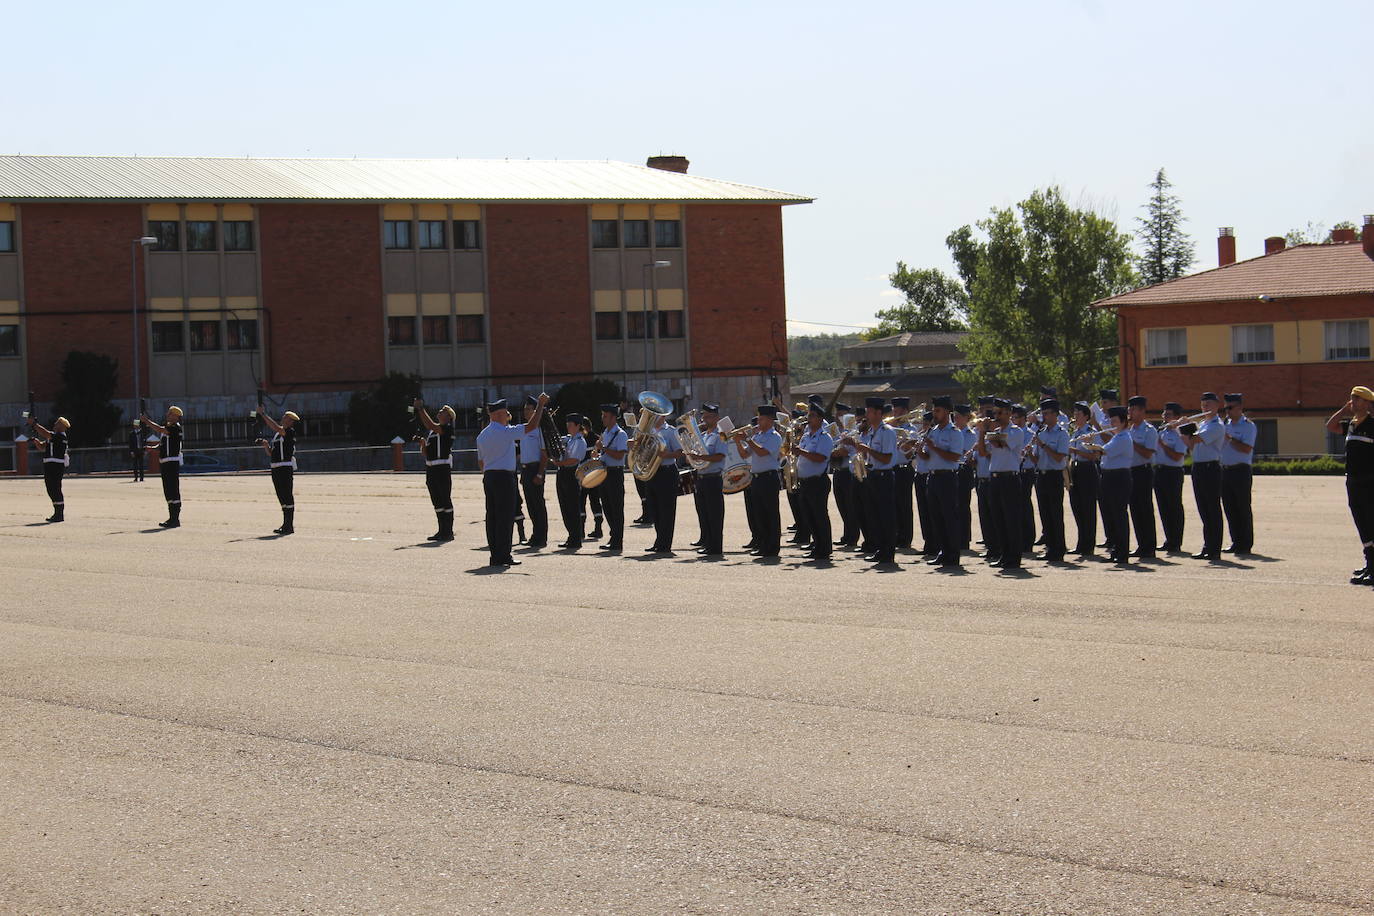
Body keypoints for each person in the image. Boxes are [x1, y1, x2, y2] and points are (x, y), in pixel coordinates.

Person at [476, 394, 548, 567]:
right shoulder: (505, 432)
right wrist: (540, 406)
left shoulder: (482, 436)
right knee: (505, 518)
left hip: (489, 476)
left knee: (492, 516)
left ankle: (495, 555)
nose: (508, 415)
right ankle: (504, 555)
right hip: (504, 478)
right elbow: (531, 426)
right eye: (505, 412)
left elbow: (480, 463)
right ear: (499, 413)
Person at [1327, 386, 1374, 584]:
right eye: (1352, 399)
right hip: (1353, 482)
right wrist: (1343, 411)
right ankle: (1370, 563)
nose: (1353, 403)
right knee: (1361, 522)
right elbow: (1331, 426)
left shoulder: (1372, 424)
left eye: (1357, 400)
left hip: (1370, 482)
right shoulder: (1352, 425)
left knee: (1371, 522)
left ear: (1367, 403)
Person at [845, 396, 898, 566]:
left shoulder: (887, 431)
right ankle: (879, 549)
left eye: (869, 411)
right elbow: (871, 456)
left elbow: (886, 457)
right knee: (874, 516)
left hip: (884, 476)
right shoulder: (873, 431)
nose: (866, 414)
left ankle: (887, 552)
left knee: (885, 517)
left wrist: (867, 449)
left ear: (878, 413)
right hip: (873, 475)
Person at [980, 398, 1028, 570]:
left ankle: (1014, 557)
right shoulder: (995, 431)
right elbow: (983, 451)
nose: (996, 416)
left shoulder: (1016, 431)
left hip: (1010, 479)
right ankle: (1004, 554)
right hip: (995, 478)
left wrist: (988, 430)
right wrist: (981, 433)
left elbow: (999, 442)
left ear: (1009, 413)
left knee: (1011, 519)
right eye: (995, 413)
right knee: (998, 519)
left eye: (999, 413)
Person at [917, 395, 964, 569]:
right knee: (936, 517)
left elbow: (954, 456)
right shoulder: (934, 431)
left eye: (937, 410)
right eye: (934, 410)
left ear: (947, 412)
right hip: (933, 476)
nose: (934, 414)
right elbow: (929, 456)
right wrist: (919, 451)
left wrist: (934, 446)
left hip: (947, 477)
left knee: (949, 517)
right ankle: (942, 552)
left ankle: (953, 554)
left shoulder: (954, 432)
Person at [736, 405, 783, 557]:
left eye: (761, 419)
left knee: (771, 513)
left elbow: (762, 452)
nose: (758, 422)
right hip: (756, 478)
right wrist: (738, 441)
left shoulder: (774, 436)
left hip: (769, 478)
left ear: (770, 420)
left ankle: (772, 547)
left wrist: (748, 439)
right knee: (759, 514)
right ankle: (762, 545)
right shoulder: (758, 436)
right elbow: (744, 455)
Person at [1184, 393, 1225, 561]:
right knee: (1203, 509)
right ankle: (1207, 546)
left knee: (1212, 509)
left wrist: (1185, 426)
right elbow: (1190, 443)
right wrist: (1181, 428)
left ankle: (1215, 548)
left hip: (1210, 468)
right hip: (1199, 467)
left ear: (1217, 406)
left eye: (1208, 404)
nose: (1205, 407)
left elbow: (1197, 438)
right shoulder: (1202, 424)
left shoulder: (1216, 425)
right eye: (1203, 404)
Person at [792, 402, 835, 561]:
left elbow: (821, 458)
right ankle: (817, 546)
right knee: (809, 515)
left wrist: (801, 452)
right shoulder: (805, 435)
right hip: (805, 481)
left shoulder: (824, 437)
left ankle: (824, 548)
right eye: (808, 415)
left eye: (812, 416)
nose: (809, 419)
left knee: (819, 515)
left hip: (817, 481)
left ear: (820, 418)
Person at [1092, 406, 1134, 566]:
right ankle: (1115, 549)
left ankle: (1122, 552)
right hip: (1109, 476)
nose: (1111, 424)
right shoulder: (1116, 437)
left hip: (1119, 477)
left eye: (1115, 421)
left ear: (1123, 422)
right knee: (1111, 514)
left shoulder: (1123, 437)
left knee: (1119, 514)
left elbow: (1103, 451)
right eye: (1111, 421)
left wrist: (1091, 445)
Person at [686, 402, 727, 557]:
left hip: (713, 479)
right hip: (702, 478)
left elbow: (719, 456)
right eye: (703, 416)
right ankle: (708, 543)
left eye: (708, 417)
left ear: (716, 418)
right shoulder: (704, 436)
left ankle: (716, 547)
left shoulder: (720, 435)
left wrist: (699, 456)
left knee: (714, 515)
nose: (704, 419)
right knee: (704, 514)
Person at [1030, 398, 1069, 563]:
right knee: (1045, 514)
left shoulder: (1062, 433)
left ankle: (1058, 549)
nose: (1043, 417)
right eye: (1042, 414)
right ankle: (1049, 547)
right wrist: (1028, 454)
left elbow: (1060, 457)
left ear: (1055, 414)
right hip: (1042, 475)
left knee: (1055, 514)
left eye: (1046, 414)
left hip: (1054, 476)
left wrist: (1044, 445)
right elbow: (1037, 459)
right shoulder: (1041, 432)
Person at [1220, 392, 1256, 555]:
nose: (1227, 411)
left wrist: (1230, 438)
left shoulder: (1248, 426)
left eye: (1231, 407)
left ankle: (1246, 544)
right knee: (1229, 508)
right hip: (1225, 470)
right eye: (1226, 407)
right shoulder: (1223, 425)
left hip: (1240, 470)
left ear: (1240, 407)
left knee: (1242, 507)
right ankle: (1235, 541)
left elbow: (1247, 448)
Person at [414, 399, 455, 542]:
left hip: (442, 468)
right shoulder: (432, 432)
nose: (440, 411)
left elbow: (430, 424)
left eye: (444, 410)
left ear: (449, 417)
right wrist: (422, 444)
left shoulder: (448, 427)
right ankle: (441, 530)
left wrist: (420, 409)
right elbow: (425, 453)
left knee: (445, 499)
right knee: (436, 500)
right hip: (431, 468)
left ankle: (448, 532)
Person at [645, 412, 684, 554]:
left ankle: (665, 544)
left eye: (656, 414)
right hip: (652, 472)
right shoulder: (648, 431)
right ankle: (659, 540)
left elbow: (680, 452)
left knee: (666, 510)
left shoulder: (671, 431)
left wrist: (666, 454)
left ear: (663, 416)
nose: (652, 417)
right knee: (654, 509)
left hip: (667, 472)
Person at [258, 406, 301, 535]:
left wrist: (263, 415)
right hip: (276, 467)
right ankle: (285, 524)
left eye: (286, 418)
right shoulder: (278, 434)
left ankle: (289, 525)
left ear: (290, 421)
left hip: (285, 467)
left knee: (287, 495)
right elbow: (272, 453)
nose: (283, 419)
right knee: (281, 496)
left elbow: (276, 427)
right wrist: (266, 446)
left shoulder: (289, 432)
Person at [141, 405, 185, 528]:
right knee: (168, 490)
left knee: (173, 489)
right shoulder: (168, 428)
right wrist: (152, 449)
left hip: (172, 462)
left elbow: (160, 430)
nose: (167, 415)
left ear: (176, 416)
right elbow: (162, 446)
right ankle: (171, 518)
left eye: (170, 413)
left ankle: (175, 519)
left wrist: (147, 421)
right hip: (165, 462)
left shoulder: (175, 428)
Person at [1125, 395, 1158, 559]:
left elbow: (1147, 453)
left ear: (1142, 411)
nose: (1130, 412)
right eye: (1129, 409)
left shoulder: (1149, 430)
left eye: (1133, 409)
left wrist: (1131, 442)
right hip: (1130, 471)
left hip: (1143, 471)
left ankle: (1149, 546)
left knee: (1145, 509)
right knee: (1135, 509)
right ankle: (1141, 544)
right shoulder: (1128, 430)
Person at [1153, 402, 1188, 553]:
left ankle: (1176, 541)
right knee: (1163, 507)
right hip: (1159, 471)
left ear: (1177, 417)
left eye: (1168, 415)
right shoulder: (1162, 431)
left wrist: (1162, 445)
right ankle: (1169, 539)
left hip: (1173, 472)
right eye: (1164, 414)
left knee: (1174, 507)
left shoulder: (1180, 433)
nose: (1164, 417)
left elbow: (1177, 456)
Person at [1067, 402, 1101, 558]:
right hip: (1075, 468)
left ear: (1086, 416)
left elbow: (1095, 456)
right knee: (1077, 507)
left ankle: (1089, 545)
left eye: (1078, 414)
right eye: (1074, 414)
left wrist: (1073, 449)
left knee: (1088, 509)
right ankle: (1081, 543)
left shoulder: (1091, 433)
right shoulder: (1075, 433)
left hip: (1087, 469)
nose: (1075, 417)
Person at [517, 396, 549, 549]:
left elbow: (544, 454)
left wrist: (540, 473)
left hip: (536, 468)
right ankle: (535, 535)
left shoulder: (539, 429)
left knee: (538, 504)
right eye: (525, 409)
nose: (525, 411)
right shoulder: (524, 428)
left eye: (528, 409)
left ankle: (541, 537)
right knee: (530, 504)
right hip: (526, 469)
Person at [597, 404, 629, 553]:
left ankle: (618, 541)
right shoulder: (606, 432)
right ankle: (613, 536)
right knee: (607, 507)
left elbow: (620, 455)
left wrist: (603, 449)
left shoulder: (620, 434)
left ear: (613, 417)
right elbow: (605, 452)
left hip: (615, 473)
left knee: (616, 508)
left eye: (605, 416)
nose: (602, 418)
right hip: (604, 472)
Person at [552, 413, 587, 549]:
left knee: (572, 507)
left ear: (578, 426)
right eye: (567, 424)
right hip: (563, 473)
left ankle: (575, 538)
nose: (568, 427)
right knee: (564, 506)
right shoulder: (569, 439)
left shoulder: (579, 441)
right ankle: (571, 535)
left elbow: (574, 459)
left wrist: (560, 463)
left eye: (571, 425)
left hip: (571, 473)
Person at [27, 415, 70, 522]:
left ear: (62, 426)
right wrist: (36, 442)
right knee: (50, 488)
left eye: (57, 423)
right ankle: (57, 513)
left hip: (56, 465)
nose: (55, 424)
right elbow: (42, 447)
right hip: (49, 464)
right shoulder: (54, 436)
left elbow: (46, 433)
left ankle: (59, 514)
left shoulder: (60, 436)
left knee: (55, 488)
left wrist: (34, 424)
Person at [831, 404, 861, 550]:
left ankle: (853, 536)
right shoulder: (837, 431)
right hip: (838, 469)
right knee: (841, 504)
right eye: (838, 414)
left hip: (849, 471)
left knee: (850, 505)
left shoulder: (853, 431)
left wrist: (841, 451)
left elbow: (852, 450)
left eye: (842, 415)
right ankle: (846, 534)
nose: (839, 417)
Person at [889, 397, 916, 550]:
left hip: (904, 468)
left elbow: (908, 449)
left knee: (904, 504)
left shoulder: (910, 429)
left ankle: (905, 538)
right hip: (892, 468)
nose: (895, 414)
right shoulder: (889, 428)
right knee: (893, 504)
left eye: (898, 411)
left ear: (905, 412)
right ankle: (896, 535)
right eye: (893, 411)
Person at [954, 405, 976, 554]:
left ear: (966, 417)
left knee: (963, 505)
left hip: (964, 470)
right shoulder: (953, 432)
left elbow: (965, 453)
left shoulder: (970, 434)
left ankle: (964, 539)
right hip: (953, 469)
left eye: (958, 416)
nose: (955, 419)